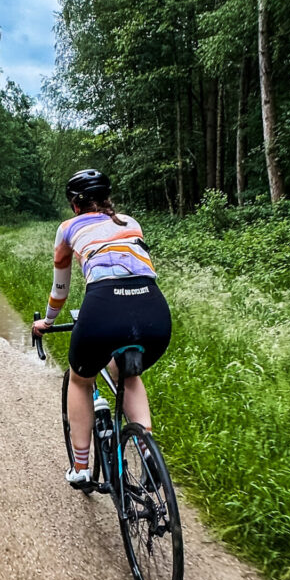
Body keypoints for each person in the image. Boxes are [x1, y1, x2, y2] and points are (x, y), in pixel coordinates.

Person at [32, 169, 172, 487]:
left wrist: (48, 322)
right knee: (128, 372)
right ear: (107, 197)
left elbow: (60, 291)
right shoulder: (130, 222)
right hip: (153, 310)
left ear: (75, 204)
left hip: (104, 306)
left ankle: (81, 468)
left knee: (81, 379)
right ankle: (148, 454)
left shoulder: (67, 229)